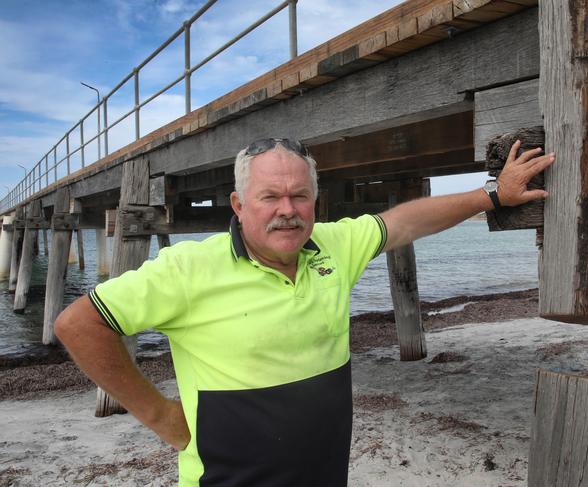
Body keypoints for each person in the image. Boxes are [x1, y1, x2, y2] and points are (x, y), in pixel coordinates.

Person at [54, 137, 554, 486]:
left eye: (299, 195)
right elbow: (79, 323)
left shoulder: (333, 245)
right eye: (269, 196)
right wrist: (158, 414)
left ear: (316, 200)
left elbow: (404, 222)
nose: (286, 209)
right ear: (238, 203)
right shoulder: (187, 269)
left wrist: (491, 195)